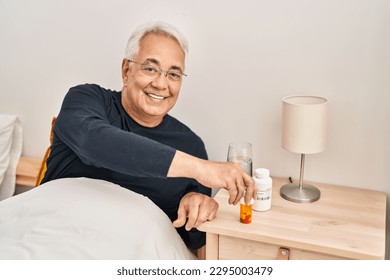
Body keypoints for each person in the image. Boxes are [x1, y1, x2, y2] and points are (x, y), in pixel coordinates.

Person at [41, 21, 255, 251]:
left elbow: (192, 240)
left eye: (173, 74)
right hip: (49, 234)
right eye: (150, 69)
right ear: (126, 70)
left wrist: (199, 207)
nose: (161, 84)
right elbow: (95, 142)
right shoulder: (86, 100)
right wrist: (201, 168)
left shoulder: (190, 146)